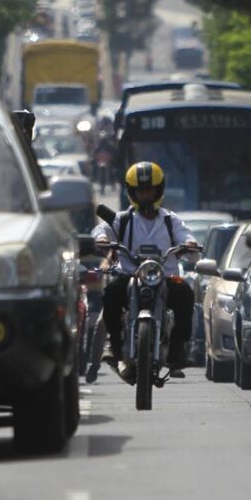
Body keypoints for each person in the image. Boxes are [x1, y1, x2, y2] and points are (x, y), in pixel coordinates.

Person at [92, 161, 198, 380]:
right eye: (141, 191)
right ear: (132, 192)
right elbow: (101, 229)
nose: (145, 195)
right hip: (129, 276)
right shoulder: (123, 219)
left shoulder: (171, 220)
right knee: (111, 292)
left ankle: (179, 348)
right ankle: (114, 345)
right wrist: (101, 239)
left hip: (165, 277)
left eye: (149, 190)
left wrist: (189, 244)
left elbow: (187, 237)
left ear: (158, 190)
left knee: (186, 293)